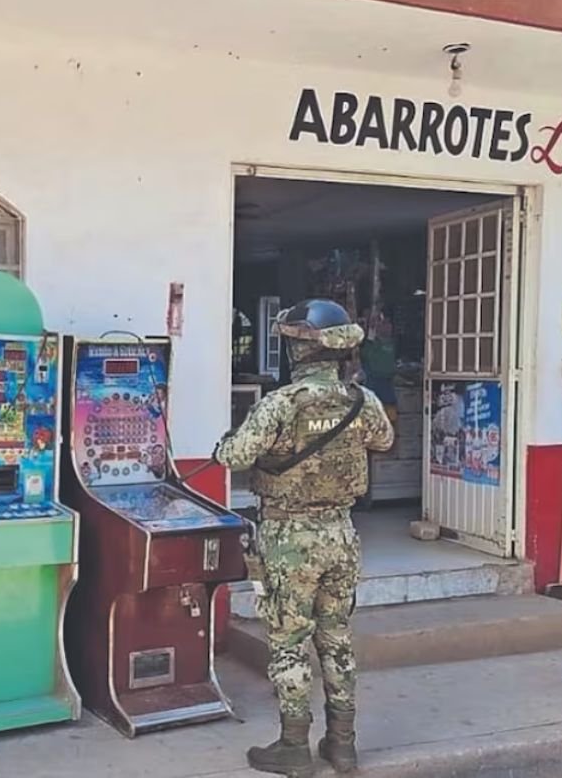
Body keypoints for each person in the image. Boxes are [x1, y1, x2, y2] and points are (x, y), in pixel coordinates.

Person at [214, 299, 394, 777]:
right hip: (340, 532)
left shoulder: (280, 404)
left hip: (290, 538)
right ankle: (343, 745)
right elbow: (384, 441)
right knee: (336, 638)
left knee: (289, 640)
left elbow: (234, 456)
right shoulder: (362, 400)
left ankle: (294, 747)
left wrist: (223, 444)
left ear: (297, 349)